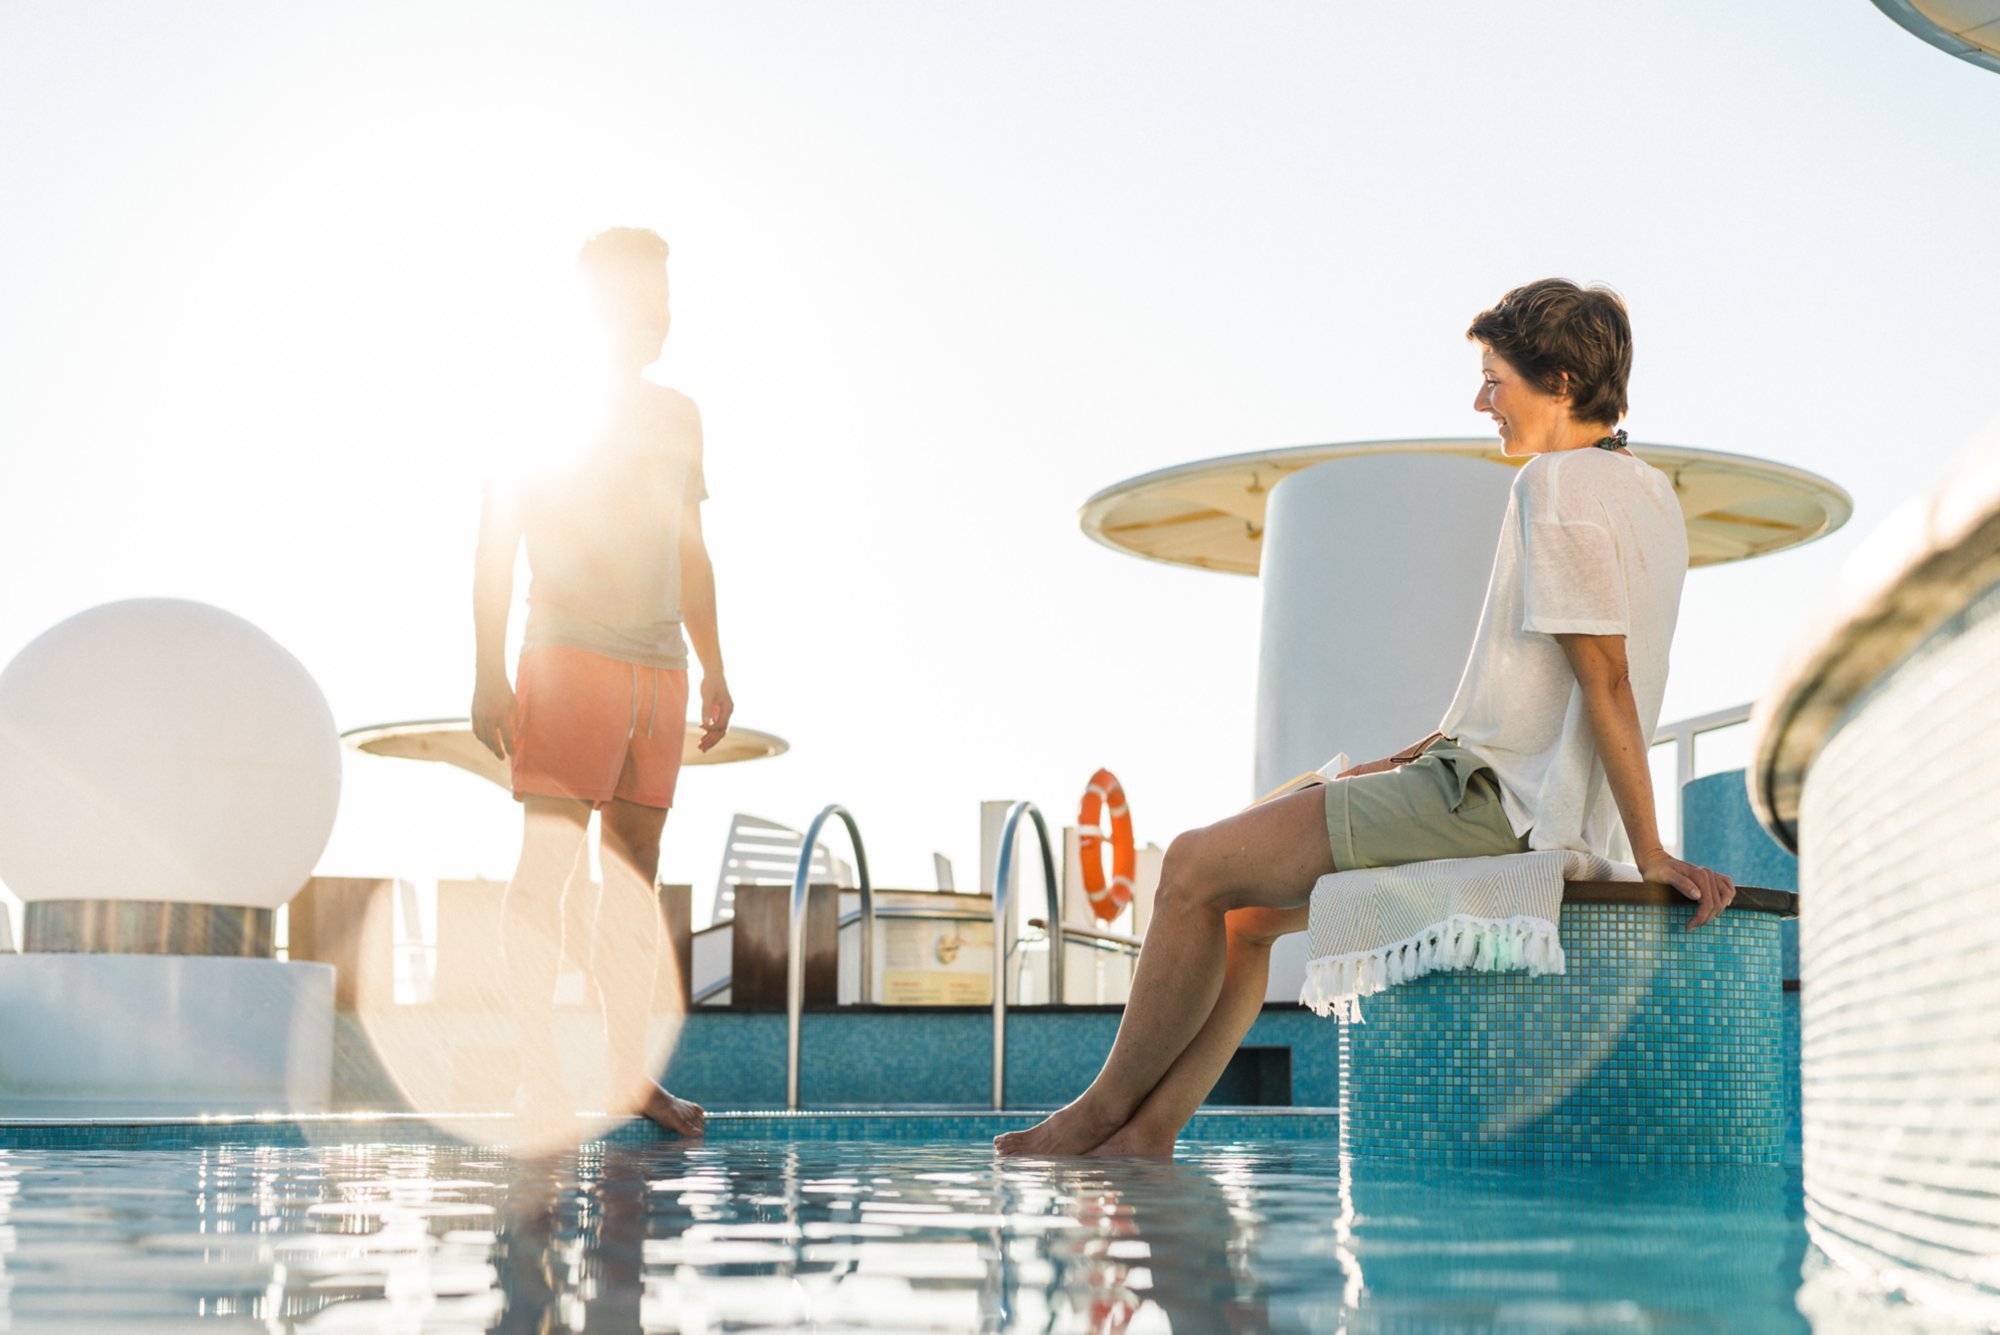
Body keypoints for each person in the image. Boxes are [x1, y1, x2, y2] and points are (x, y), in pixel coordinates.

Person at [996, 278, 1736, 1158]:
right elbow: (1558, 689)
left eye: (1497, 380)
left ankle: (1096, 1113)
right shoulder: (1649, 495)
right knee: (1243, 917)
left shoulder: (1557, 483)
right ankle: (1146, 1136)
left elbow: (1606, 677)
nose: (1482, 401)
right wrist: (1412, 756)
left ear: (1564, 382)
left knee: (1192, 865)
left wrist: (1651, 855)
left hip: (1489, 803)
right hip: (1498, 787)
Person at [471, 227, 731, 1138]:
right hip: (567, 652)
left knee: (634, 881)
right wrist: (486, 669)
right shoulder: (536, 407)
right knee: (546, 869)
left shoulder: (681, 414)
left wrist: (716, 664)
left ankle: (627, 1076)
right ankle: (539, 1075)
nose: (659, 317)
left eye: (666, 300)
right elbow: (496, 543)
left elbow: (690, 549)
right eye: (641, 300)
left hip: (658, 668)